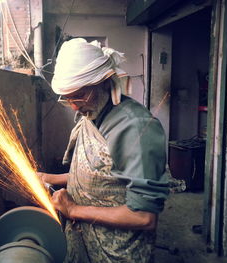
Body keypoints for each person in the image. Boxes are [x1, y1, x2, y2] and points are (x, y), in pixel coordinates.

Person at [39, 38, 169, 263]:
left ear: (104, 81)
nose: (74, 106)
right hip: (86, 241)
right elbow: (101, 177)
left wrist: (73, 210)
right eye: (68, 98)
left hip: (118, 252)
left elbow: (143, 216)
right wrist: (47, 178)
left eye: (79, 96)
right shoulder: (92, 113)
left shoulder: (135, 128)